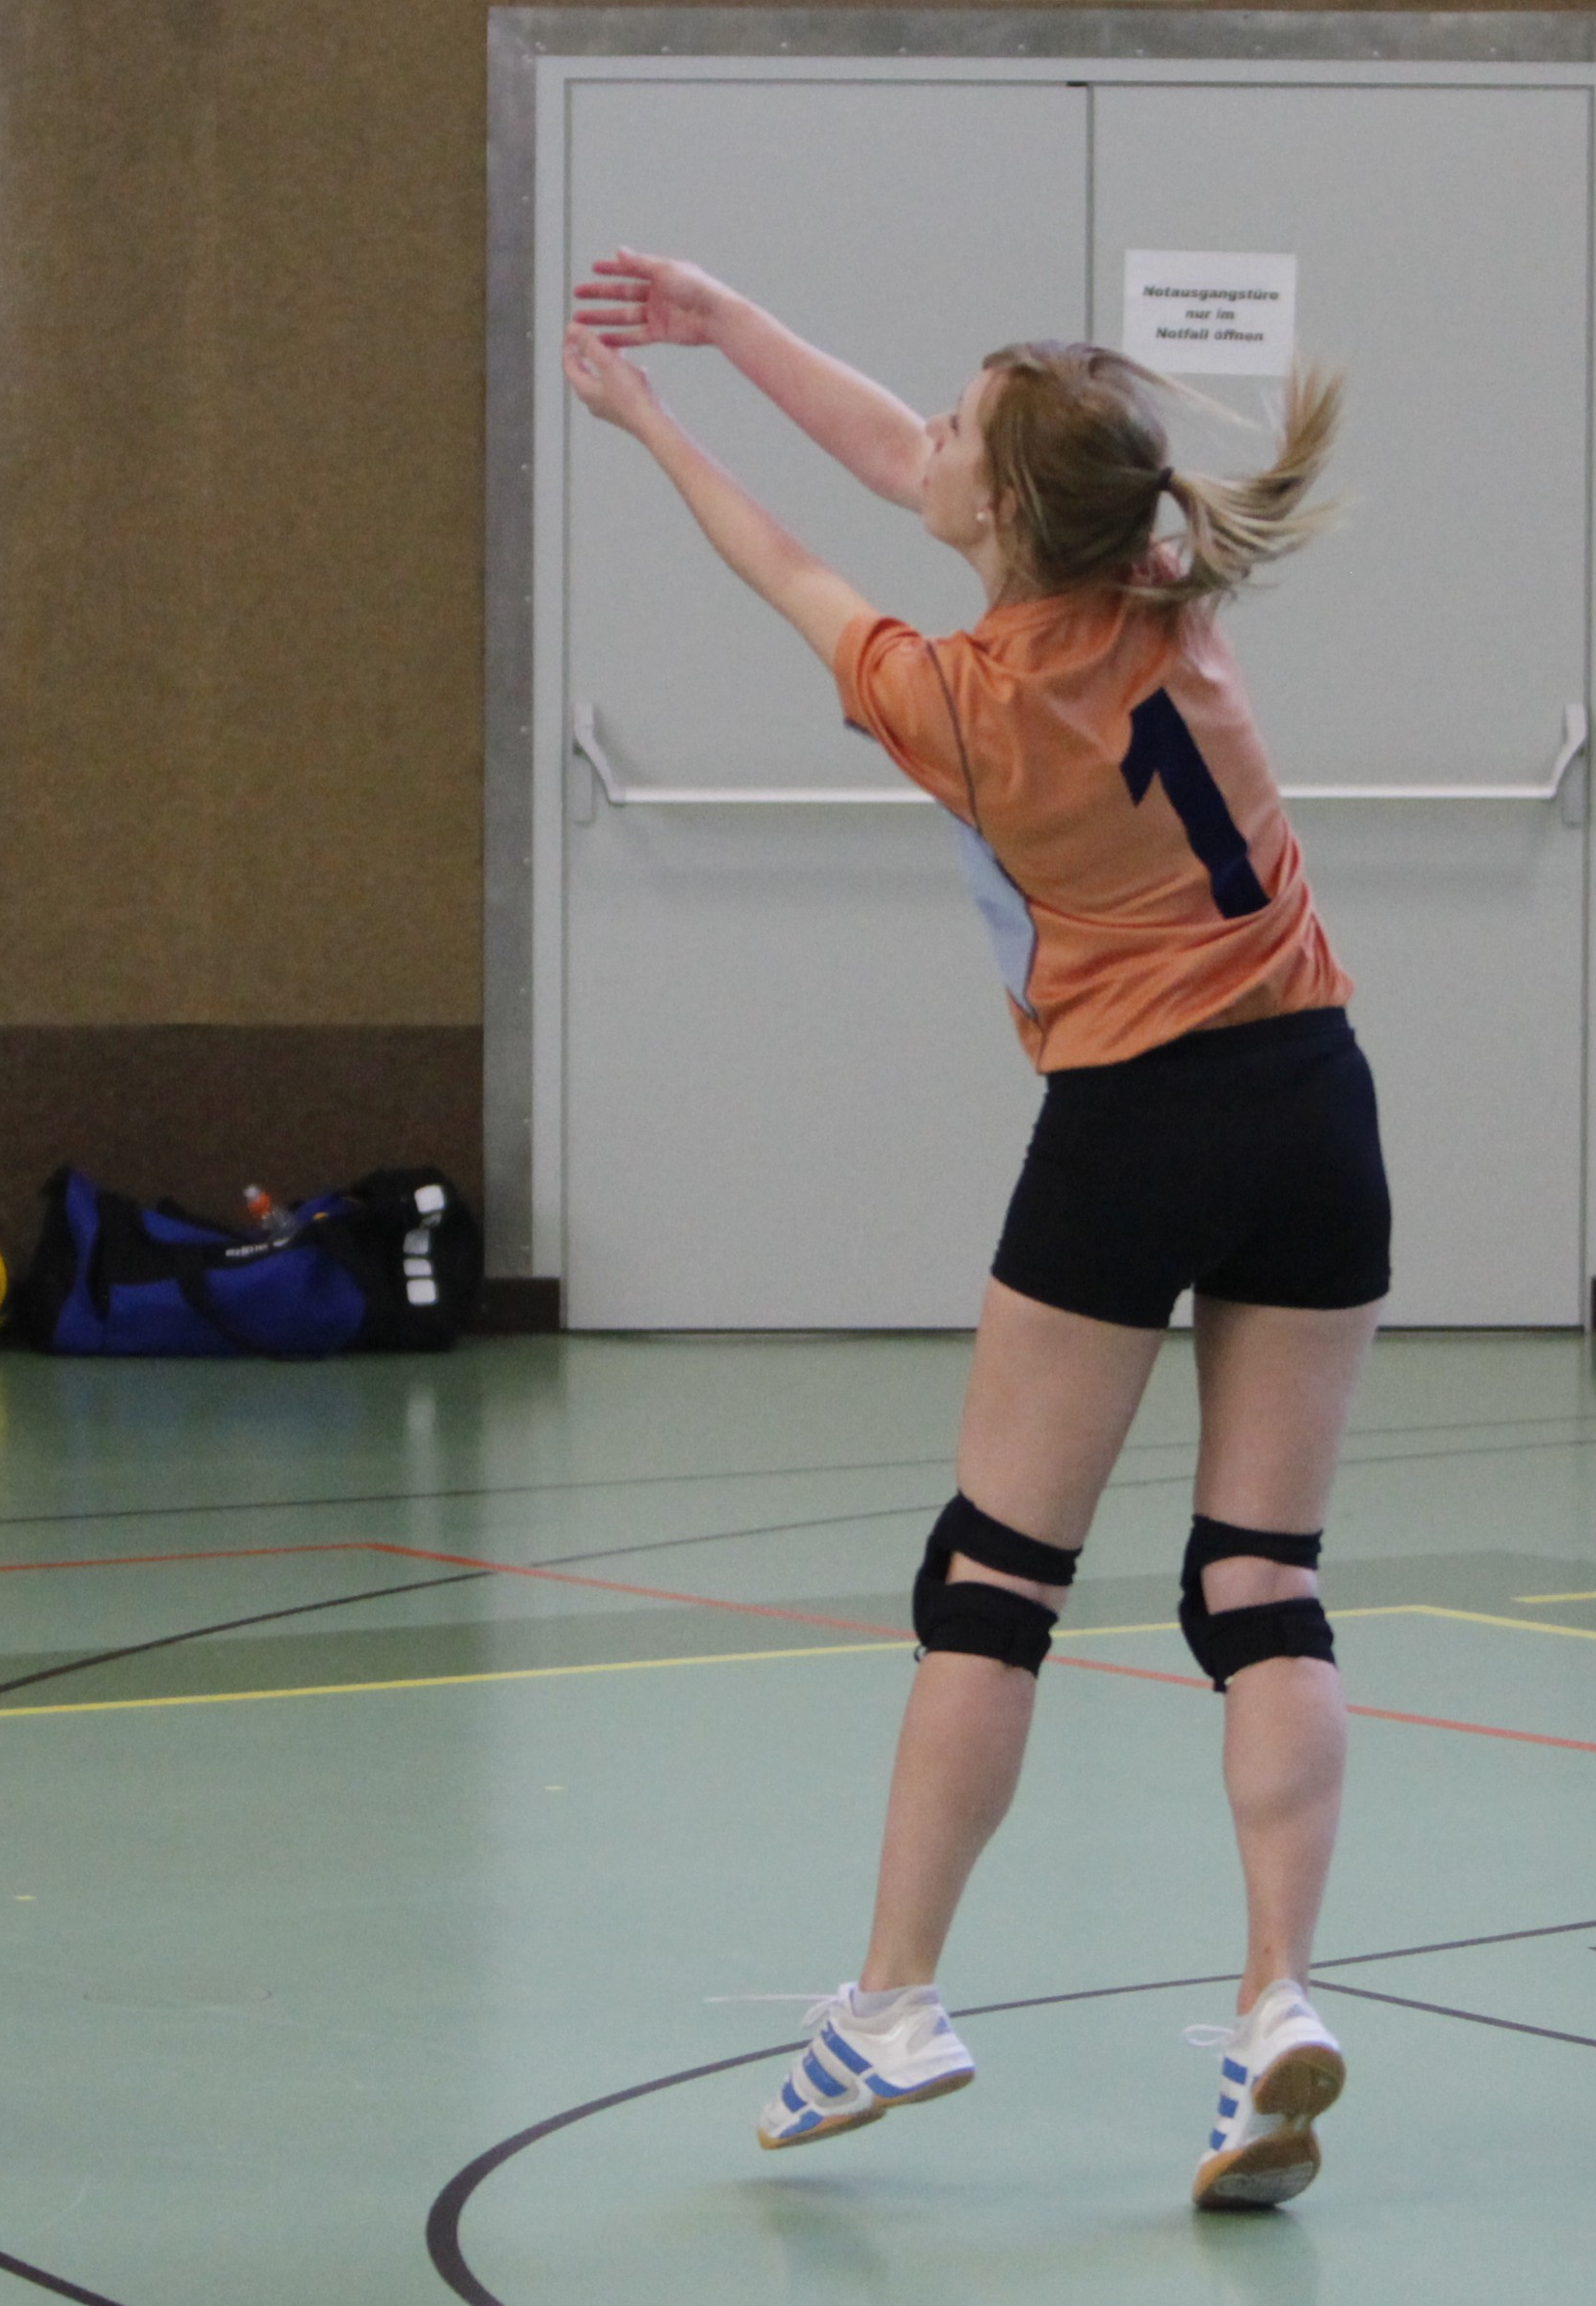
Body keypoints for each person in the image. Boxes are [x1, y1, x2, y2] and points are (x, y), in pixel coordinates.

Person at [564, 249, 1386, 2210]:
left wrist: (656, 420)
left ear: (1008, 511)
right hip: (1314, 1099)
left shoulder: (962, 701)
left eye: (953, 431)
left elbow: (788, 558)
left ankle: (894, 2001)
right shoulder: (1163, 588)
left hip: (1135, 1122)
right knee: (1260, 1584)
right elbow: (890, 457)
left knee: (993, 1580)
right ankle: (1276, 2000)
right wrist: (730, 322)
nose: (915, 439)